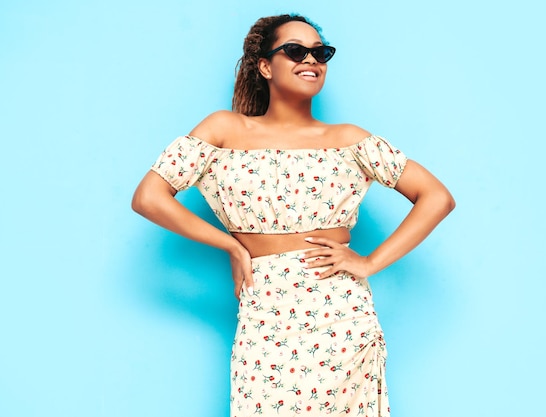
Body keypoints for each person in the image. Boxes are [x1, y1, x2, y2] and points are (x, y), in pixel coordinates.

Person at [132, 13, 454, 417]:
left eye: (321, 53)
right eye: (296, 51)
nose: (312, 60)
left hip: (340, 315)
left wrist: (370, 263)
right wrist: (230, 245)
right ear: (265, 66)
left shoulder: (348, 140)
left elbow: (436, 197)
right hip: (265, 309)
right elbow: (149, 197)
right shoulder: (223, 130)